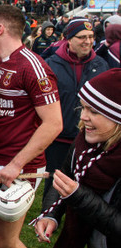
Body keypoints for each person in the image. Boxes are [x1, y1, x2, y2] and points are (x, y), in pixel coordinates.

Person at [0, 5, 62, 248]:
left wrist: (16, 164)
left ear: (0, 29)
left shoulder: (33, 68)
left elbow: (54, 123)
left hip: (18, 166)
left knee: (5, 241)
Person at [34, 68, 121, 248]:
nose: (83, 117)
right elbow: (66, 178)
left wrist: (78, 196)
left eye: (94, 112)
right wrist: (51, 214)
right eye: (82, 107)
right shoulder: (84, 141)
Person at [42, 18, 109, 200]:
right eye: (82, 37)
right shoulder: (51, 65)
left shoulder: (101, 65)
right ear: (68, 39)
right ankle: (47, 221)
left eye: (91, 36)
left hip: (90, 137)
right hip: (58, 138)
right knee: (54, 182)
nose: (88, 41)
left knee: (86, 184)